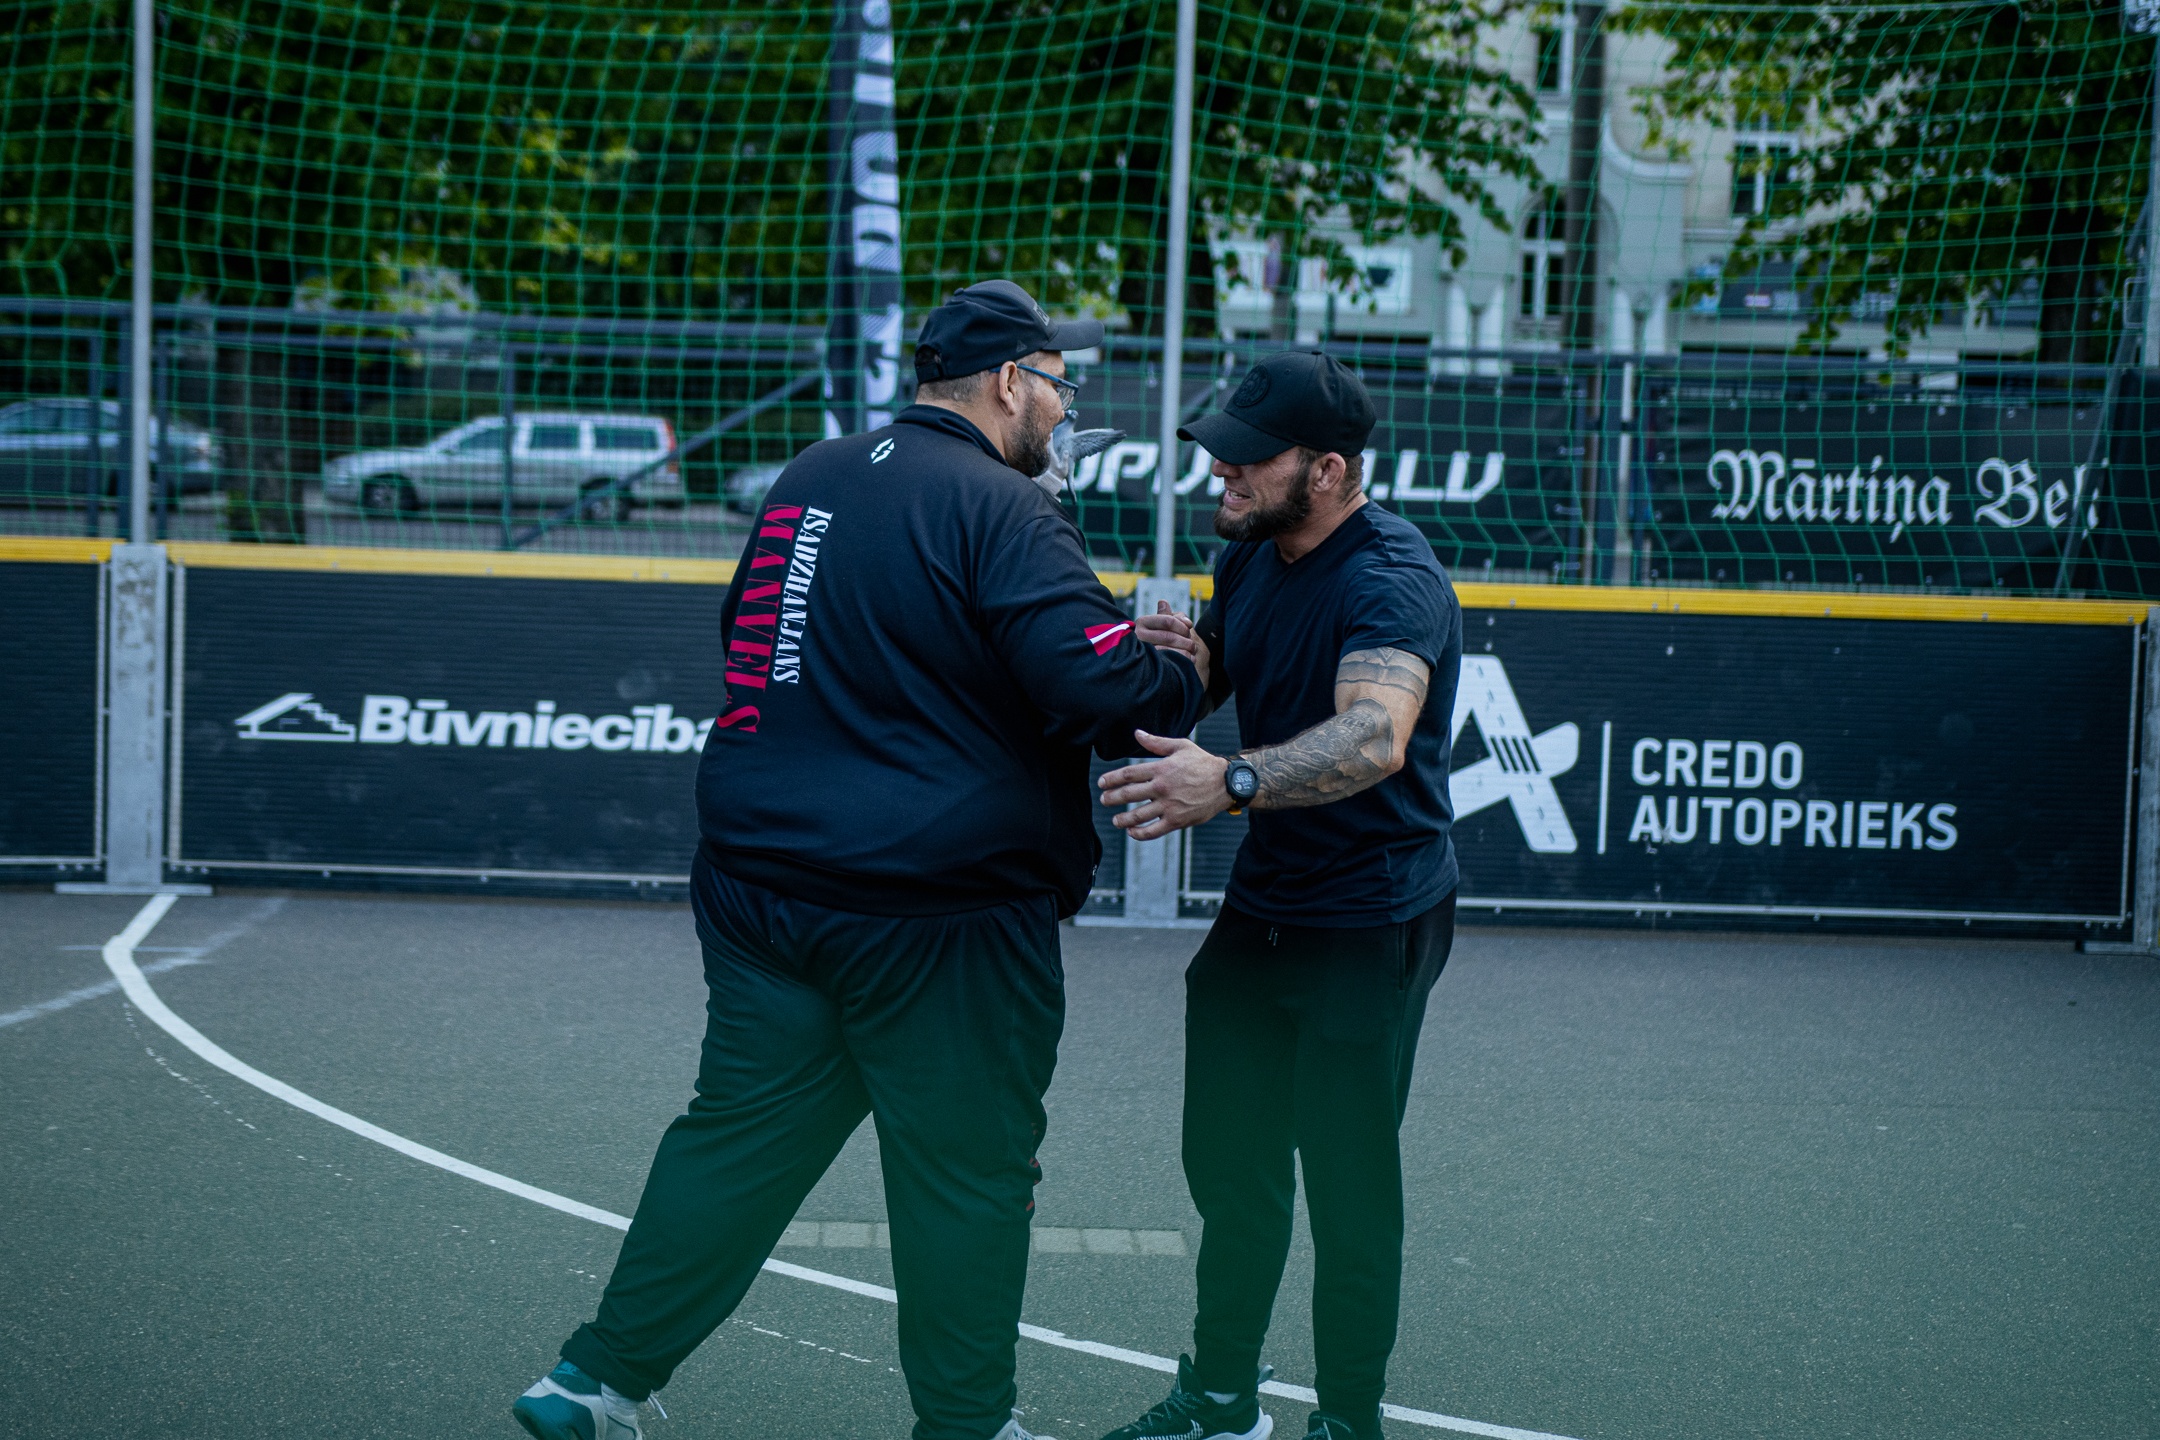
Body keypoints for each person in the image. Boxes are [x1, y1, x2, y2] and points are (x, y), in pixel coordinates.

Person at [512, 280, 1207, 1440]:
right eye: (1059, 382)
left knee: (736, 1140)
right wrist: (1185, 670)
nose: (1066, 404)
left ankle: (595, 1380)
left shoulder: (812, 474)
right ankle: (970, 1425)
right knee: (967, 1175)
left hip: (763, 890)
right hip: (936, 916)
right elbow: (1103, 691)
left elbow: (756, 639)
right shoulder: (1006, 506)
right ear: (1008, 382)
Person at [1092, 351, 1464, 1440]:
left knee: (1350, 1191)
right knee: (1230, 1162)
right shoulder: (1253, 552)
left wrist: (1234, 781)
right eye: (1221, 455)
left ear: (1330, 469)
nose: (1223, 475)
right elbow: (1225, 667)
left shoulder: (1391, 575)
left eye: (1249, 461)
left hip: (1372, 915)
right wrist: (1179, 663)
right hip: (1267, 906)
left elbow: (1376, 733)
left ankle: (1348, 1420)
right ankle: (1220, 1401)